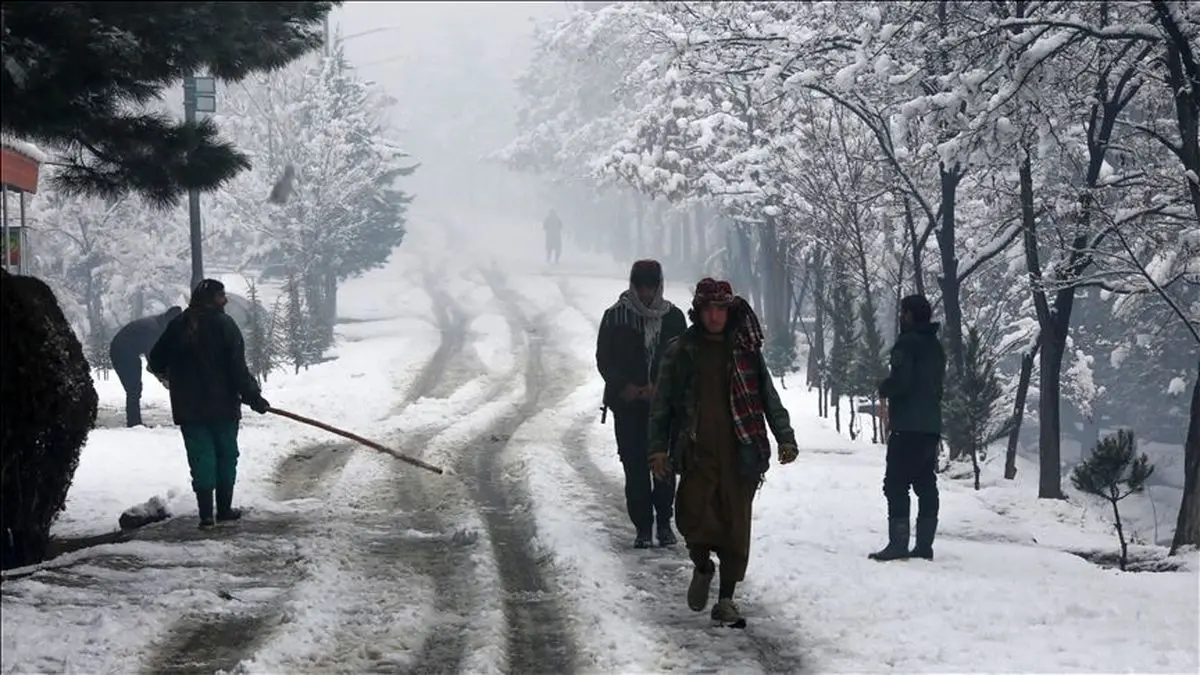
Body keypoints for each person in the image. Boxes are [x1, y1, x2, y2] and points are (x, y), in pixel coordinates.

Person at [648, 278, 798, 627]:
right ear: (698, 312)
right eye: (708, 309)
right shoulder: (681, 350)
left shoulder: (745, 351)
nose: (715, 316)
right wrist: (657, 450)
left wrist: (785, 437)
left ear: (728, 312)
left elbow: (767, 396)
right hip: (697, 452)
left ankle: (726, 599)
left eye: (720, 309)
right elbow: (662, 407)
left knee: (735, 526)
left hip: (740, 452)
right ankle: (702, 565)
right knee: (692, 516)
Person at [147, 279, 271, 529]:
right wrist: (253, 396)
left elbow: (156, 360)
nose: (225, 301)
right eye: (221, 296)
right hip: (223, 406)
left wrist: (175, 375)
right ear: (212, 299)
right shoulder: (225, 325)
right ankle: (223, 510)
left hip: (188, 407)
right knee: (225, 455)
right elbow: (237, 368)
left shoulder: (177, 325)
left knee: (201, 457)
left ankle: (206, 515)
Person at [597, 260, 688, 548]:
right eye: (641, 288)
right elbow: (604, 359)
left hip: (664, 409)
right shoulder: (615, 317)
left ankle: (664, 521)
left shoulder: (674, 318)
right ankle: (642, 527)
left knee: (664, 466)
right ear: (633, 286)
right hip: (628, 407)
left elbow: (683, 360)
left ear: (659, 286)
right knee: (635, 467)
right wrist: (627, 388)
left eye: (651, 287)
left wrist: (661, 388)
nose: (647, 294)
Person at [870, 294, 946, 562]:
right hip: (930, 426)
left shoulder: (907, 344)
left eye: (903, 312)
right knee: (926, 483)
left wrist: (884, 386)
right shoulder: (936, 346)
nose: (901, 316)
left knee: (896, 483)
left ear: (911, 315)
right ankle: (924, 546)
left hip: (907, 427)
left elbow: (902, 382)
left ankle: (898, 544)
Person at [109, 306, 183, 427]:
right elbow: (153, 358)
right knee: (134, 389)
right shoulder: (152, 329)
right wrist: (164, 379)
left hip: (129, 351)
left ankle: (134, 422)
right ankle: (134, 423)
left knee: (135, 388)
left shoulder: (158, 324)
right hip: (121, 352)